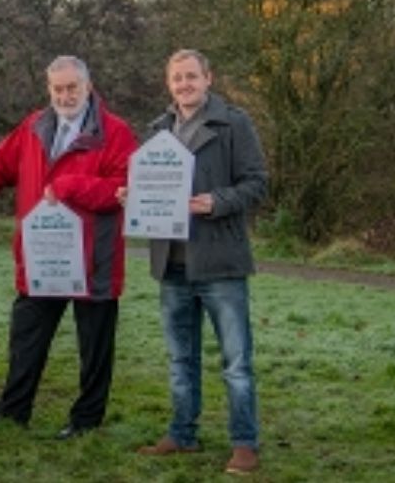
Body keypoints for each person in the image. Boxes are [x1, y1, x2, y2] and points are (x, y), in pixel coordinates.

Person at [0, 55, 139, 439]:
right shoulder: (33, 126)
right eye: (58, 88)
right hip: (43, 255)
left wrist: (70, 185)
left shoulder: (116, 133)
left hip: (93, 259)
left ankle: (86, 421)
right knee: (26, 337)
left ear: (88, 86)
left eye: (72, 87)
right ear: (49, 89)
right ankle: (12, 412)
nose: (65, 95)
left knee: (95, 347)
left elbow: (123, 191)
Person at [120, 49, 268, 475]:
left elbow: (257, 183)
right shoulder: (157, 129)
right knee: (180, 359)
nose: (184, 84)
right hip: (173, 264)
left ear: (208, 79)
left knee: (236, 362)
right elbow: (151, 185)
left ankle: (245, 443)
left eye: (191, 76)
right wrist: (133, 198)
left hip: (220, 260)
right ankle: (182, 434)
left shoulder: (234, 123)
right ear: (169, 84)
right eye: (177, 78)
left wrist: (217, 201)